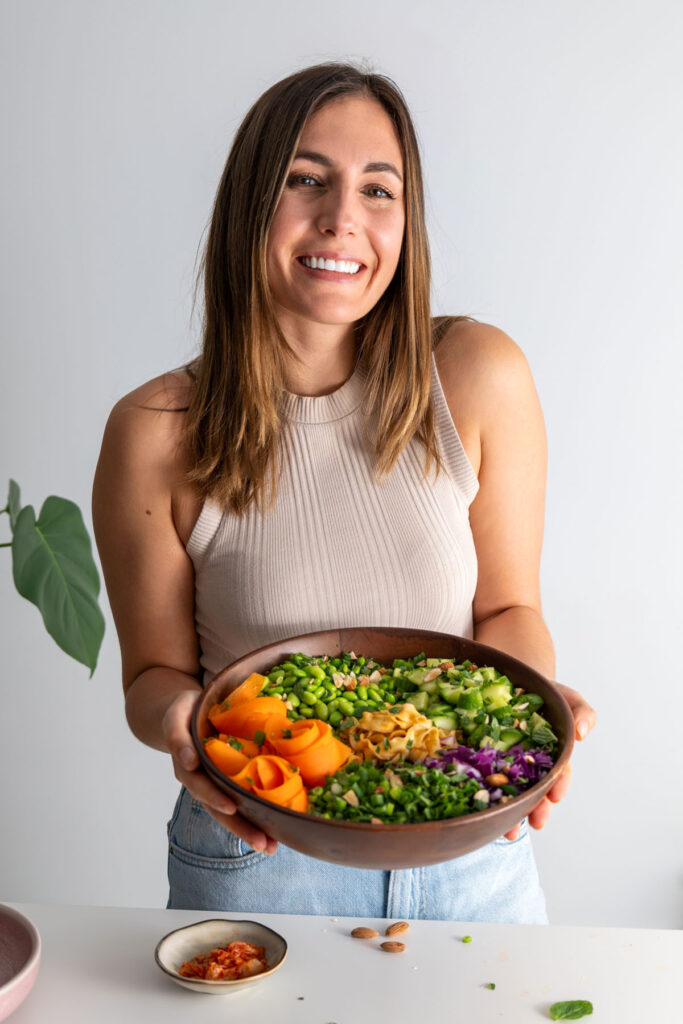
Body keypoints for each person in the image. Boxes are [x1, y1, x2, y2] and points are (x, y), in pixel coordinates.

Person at [92, 61, 596, 923]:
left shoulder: (476, 375)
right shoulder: (154, 429)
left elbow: (510, 609)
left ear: (408, 222)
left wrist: (522, 723)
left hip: (467, 842)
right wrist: (180, 719)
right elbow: (154, 673)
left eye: (378, 190)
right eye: (305, 179)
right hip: (260, 854)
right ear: (252, 202)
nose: (342, 220)